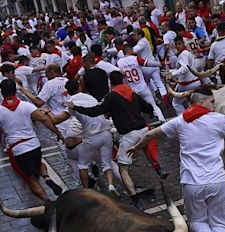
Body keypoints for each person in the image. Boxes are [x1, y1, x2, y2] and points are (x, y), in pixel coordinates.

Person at [126, 87, 225, 232]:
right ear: (201, 103)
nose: (215, 105)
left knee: (197, 222)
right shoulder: (219, 120)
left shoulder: (180, 121)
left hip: (192, 182)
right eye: (212, 101)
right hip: (217, 181)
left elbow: (152, 134)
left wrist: (137, 147)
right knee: (220, 223)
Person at [69, 71, 168, 208]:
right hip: (143, 130)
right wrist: (150, 114)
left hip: (128, 135)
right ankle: (159, 169)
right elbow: (147, 107)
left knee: (123, 169)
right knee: (145, 148)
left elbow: (96, 111)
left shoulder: (111, 96)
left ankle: (135, 199)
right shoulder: (131, 91)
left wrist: (76, 108)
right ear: (122, 80)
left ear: (111, 82)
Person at [0, 79, 64, 201]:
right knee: (39, 164)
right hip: (34, 144)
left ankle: (47, 201)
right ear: (15, 91)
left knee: (31, 178)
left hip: (18, 149)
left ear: (2, 93)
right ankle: (47, 178)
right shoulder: (27, 105)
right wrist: (58, 133)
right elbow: (44, 119)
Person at [44, 79, 118, 193]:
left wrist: (47, 111)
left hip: (91, 137)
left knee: (82, 165)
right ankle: (111, 186)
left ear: (68, 92)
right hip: (106, 134)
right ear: (79, 87)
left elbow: (56, 120)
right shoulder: (91, 98)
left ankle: (88, 192)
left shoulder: (71, 103)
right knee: (108, 163)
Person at [116, 43, 165, 121]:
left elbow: (118, 74)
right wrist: (160, 64)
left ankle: (143, 126)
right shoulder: (135, 58)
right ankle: (162, 120)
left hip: (131, 90)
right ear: (130, 50)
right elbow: (148, 63)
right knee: (153, 106)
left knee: (136, 110)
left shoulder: (119, 63)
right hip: (142, 87)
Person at [166, 36, 201, 115]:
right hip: (194, 83)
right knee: (194, 104)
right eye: (176, 44)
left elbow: (184, 69)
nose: (177, 46)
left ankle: (184, 121)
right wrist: (170, 71)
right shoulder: (186, 53)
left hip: (188, 85)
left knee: (176, 103)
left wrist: (171, 74)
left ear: (183, 43)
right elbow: (180, 68)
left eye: (179, 44)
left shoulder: (184, 54)